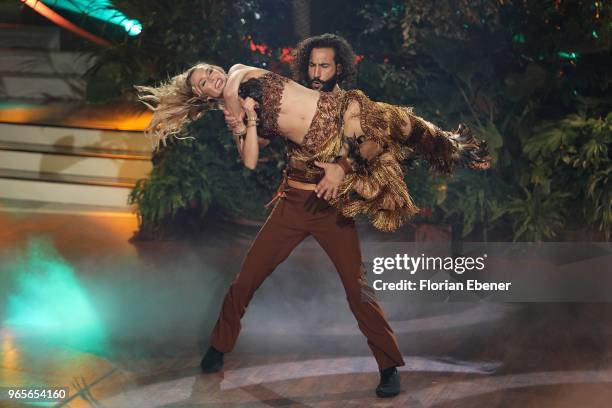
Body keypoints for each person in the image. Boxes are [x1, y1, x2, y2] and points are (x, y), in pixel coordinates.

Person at [137, 61, 489, 398]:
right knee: (246, 280)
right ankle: (217, 347)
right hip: (295, 202)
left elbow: (230, 88)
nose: (212, 76)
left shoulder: (237, 75)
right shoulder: (241, 110)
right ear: (200, 96)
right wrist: (248, 123)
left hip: (330, 196)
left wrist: (236, 109)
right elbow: (249, 158)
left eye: (208, 70)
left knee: (357, 288)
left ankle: (389, 368)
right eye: (202, 82)